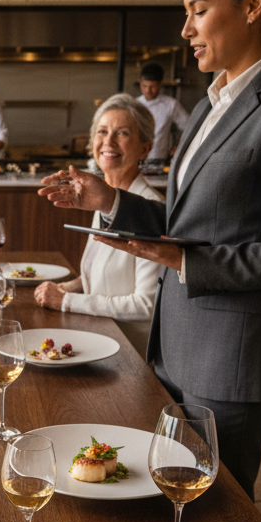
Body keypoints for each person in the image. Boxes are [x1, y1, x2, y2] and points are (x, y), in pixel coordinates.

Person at [39, 0, 261, 501]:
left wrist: (186, 260)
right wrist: (109, 202)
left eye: (199, 11)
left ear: (253, 5)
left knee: (221, 515)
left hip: (230, 362)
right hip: (173, 349)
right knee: (171, 505)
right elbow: (187, 219)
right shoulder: (208, 104)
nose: (186, 29)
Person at [34, 94, 162, 356]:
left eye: (122, 133)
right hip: (98, 337)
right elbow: (112, 276)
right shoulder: (105, 198)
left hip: (129, 354)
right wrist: (70, 286)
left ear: (145, 148)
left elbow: (146, 304)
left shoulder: (151, 210)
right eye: (102, 131)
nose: (108, 141)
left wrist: (67, 301)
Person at [135, 62, 188, 162]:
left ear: (160, 85)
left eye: (152, 87)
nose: (148, 91)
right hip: (136, 158)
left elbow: (188, 126)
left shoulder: (171, 104)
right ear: (140, 84)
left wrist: (178, 144)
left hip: (159, 159)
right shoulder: (135, 104)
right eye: (144, 86)